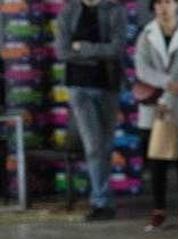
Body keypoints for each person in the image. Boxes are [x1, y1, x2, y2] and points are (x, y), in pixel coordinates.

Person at [55, 0, 126, 222]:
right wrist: (97, 53)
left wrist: (83, 48)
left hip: (108, 86)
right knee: (94, 146)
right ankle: (100, 201)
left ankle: (105, 199)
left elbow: (116, 49)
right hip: (79, 87)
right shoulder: (68, 11)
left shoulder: (115, 11)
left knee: (105, 144)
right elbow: (62, 52)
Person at [135, 0, 178, 232]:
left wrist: (169, 98)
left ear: (177, 5)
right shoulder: (146, 35)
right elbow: (142, 69)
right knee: (156, 162)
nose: (164, 7)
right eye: (159, 3)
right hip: (153, 108)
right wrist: (165, 84)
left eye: (169, 2)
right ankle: (159, 210)